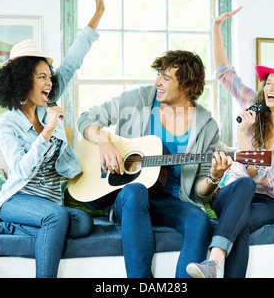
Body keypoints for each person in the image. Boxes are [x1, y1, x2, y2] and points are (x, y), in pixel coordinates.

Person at [0, 0, 105, 278]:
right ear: (23, 81)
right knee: (55, 217)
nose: (50, 83)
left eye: (50, 77)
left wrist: (98, 13)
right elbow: (20, 171)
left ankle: (1, 225)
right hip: (18, 200)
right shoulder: (6, 124)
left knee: (83, 223)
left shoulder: (47, 100)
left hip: (49, 202)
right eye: (42, 77)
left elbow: (74, 59)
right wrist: (47, 132)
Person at [77, 50, 232, 278]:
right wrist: (103, 141)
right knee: (136, 189)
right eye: (159, 74)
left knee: (198, 219)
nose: (157, 81)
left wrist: (214, 177)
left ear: (188, 85)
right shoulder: (136, 100)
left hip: (171, 201)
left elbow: (199, 194)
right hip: (130, 198)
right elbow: (85, 119)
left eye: (166, 78)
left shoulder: (207, 126)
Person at [186, 6, 274, 278]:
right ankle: (215, 263)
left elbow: (260, 173)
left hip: (266, 201)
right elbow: (224, 74)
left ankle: (213, 263)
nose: (269, 89)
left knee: (238, 225)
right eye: (268, 83)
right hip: (233, 193)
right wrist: (217, 27)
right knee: (242, 184)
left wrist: (243, 135)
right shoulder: (253, 103)